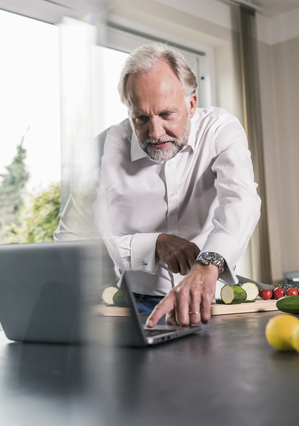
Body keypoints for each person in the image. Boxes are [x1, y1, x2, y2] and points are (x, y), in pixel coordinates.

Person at [55, 42, 261, 328]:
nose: (155, 132)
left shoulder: (220, 129)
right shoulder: (104, 150)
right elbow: (70, 239)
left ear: (191, 104)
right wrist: (154, 243)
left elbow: (241, 200)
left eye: (166, 114)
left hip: (208, 296)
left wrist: (208, 263)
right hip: (131, 304)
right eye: (141, 118)